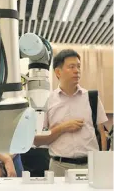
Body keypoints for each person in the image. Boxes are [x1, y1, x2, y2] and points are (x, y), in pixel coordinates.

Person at [34, 49, 108, 177]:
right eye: (71, 67)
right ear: (58, 72)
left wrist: (103, 162)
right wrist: (62, 128)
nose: (77, 71)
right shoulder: (46, 101)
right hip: (59, 167)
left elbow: (102, 133)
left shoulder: (92, 98)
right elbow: (37, 140)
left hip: (90, 166)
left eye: (78, 66)